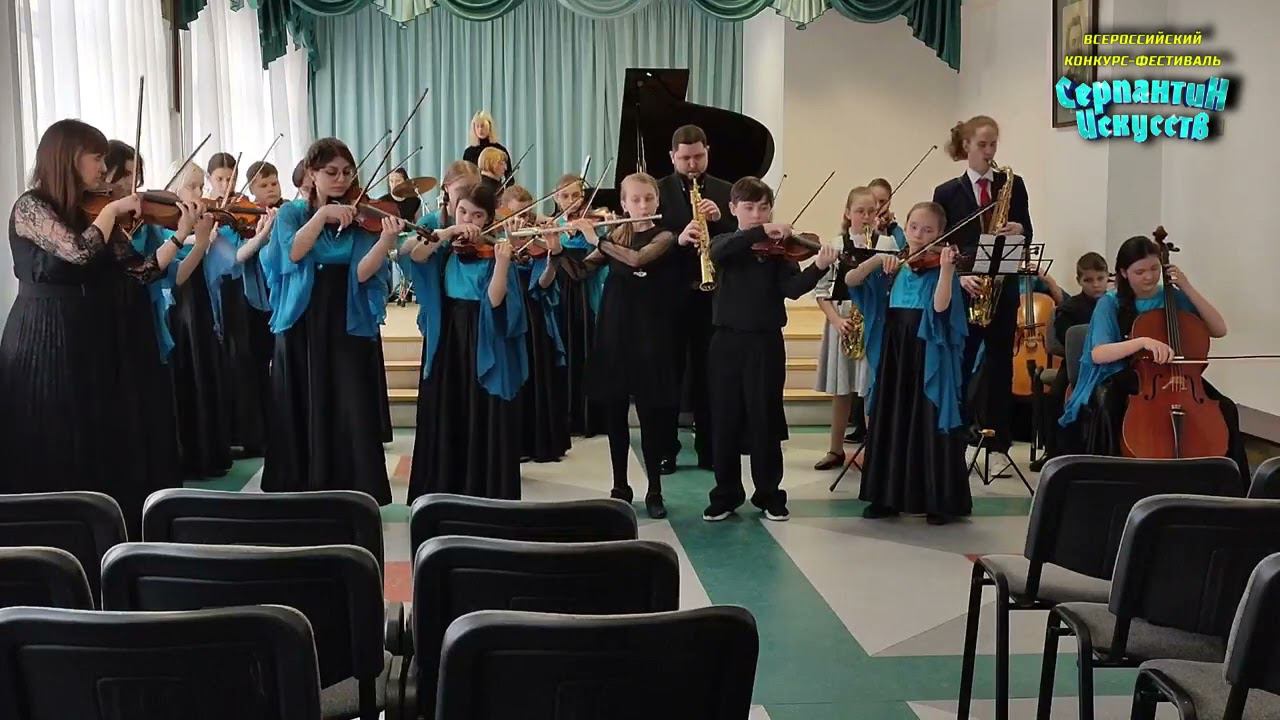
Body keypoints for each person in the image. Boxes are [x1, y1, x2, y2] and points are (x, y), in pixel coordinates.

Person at [0, 120, 181, 535]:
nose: (103, 168)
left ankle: (99, 533)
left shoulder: (93, 208)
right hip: (42, 334)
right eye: (96, 158)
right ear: (68, 158)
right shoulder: (31, 207)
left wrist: (182, 235)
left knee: (93, 433)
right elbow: (78, 252)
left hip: (90, 335)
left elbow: (139, 271)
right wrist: (114, 211)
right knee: (50, 432)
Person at [261, 137, 398, 504]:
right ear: (312, 173)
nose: (341, 179)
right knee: (301, 400)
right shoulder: (292, 214)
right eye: (332, 172)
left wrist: (385, 243)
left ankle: (351, 489)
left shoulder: (360, 216)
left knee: (350, 398)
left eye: (347, 172)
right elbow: (292, 253)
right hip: (302, 318)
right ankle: (301, 487)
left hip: (346, 315)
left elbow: (363, 273)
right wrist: (322, 216)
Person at [693, 177, 837, 522]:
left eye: (764, 208)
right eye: (749, 208)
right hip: (726, 342)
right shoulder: (725, 241)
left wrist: (818, 266)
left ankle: (770, 494)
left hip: (765, 342)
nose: (757, 214)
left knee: (765, 419)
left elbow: (792, 289)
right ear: (733, 209)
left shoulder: (778, 251)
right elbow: (717, 253)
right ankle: (725, 494)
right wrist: (760, 231)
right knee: (724, 420)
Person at [1059, 235, 1248, 485]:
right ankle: (1110, 480)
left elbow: (1219, 329)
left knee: (1226, 407)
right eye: (1140, 272)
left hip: (1180, 377)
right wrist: (1142, 342)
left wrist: (1187, 287)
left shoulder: (1172, 297)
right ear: (1124, 273)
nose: (1149, 277)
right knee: (1109, 402)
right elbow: (1099, 353)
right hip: (1129, 373)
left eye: (1154, 269)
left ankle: (1236, 486)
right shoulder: (1110, 303)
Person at [846, 202, 971, 524]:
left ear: (940, 233)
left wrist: (947, 270)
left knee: (927, 419)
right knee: (893, 417)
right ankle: (886, 497)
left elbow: (941, 307)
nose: (918, 235)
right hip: (896, 352)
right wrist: (876, 259)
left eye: (928, 230)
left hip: (928, 350)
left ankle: (937, 501)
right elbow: (852, 279)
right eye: (914, 227)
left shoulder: (941, 267)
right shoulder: (895, 264)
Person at [406, 184, 526, 501]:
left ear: (488, 219)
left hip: (481, 333)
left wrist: (503, 263)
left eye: (477, 215)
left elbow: (495, 300)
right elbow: (416, 254)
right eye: (463, 212)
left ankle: (481, 490)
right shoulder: (447, 247)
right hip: (450, 336)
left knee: (480, 410)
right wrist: (448, 232)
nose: (468, 220)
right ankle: (447, 488)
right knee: (451, 408)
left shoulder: (493, 250)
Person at [581, 173, 682, 519]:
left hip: (650, 334)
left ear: (657, 201)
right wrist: (555, 248)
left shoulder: (665, 235)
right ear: (623, 203)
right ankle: (620, 486)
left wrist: (597, 239)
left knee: (651, 417)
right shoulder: (616, 236)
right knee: (615, 414)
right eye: (635, 199)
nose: (642, 205)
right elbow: (582, 270)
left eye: (648, 198)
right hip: (615, 331)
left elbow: (637, 259)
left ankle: (654, 490)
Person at [932, 115, 1033, 452]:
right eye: (982, 145)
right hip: (966, 288)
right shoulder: (947, 192)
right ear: (966, 146)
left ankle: (999, 443)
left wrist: (1020, 230)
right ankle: (956, 439)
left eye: (993, 145)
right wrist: (961, 277)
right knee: (961, 363)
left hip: (1002, 288)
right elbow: (941, 244)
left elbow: (1028, 231)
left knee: (1000, 365)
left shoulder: (1012, 184)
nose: (989, 152)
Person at [657, 124, 736, 472]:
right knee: (669, 374)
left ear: (708, 152)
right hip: (671, 296)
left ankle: (710, 449)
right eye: (685, 158)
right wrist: (678, 237)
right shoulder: (657, 190)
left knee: (711, 375)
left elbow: (740, 239)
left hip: (713, 298)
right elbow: (648, 235)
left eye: (698, 157)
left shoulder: (726, 191)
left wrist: (722, 220)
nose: (692, 164)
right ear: (672, 157)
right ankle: (665, 449)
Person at [813, 186, 892, 470]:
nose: (866, 216)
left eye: (871, 211)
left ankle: (874, 452)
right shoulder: (836, 244)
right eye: (860, 211)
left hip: (875, 321)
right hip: (843, 320)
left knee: (871, 388)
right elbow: (822, 291)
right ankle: (835, 450)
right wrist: (836, 320)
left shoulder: (887, 244)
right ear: (848, 213)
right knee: (842, 390)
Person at [167, 162, 231, 477]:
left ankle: (210, 451)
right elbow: (170, 252)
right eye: (192, 186)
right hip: (181, 303)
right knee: (187, 368)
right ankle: (190, 455)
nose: (199, 192)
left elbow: (226, 260)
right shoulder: (166, 220)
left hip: (200, 298)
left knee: (204, 366)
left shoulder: (198, 217)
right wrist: (198, 237)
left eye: (200, 187)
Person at [501, 185, 570, 464]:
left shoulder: (538, 242)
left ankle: (538, 442)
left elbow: (542, 283)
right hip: (506, 315)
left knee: (537, 376)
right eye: (515, 215)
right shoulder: (497, 239)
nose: (522, 221)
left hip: (533, 315)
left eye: (526, 214)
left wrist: (552, 255)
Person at [218, 160, 279, 456]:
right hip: (243, 297)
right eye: (263, 185)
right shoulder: (232, 216)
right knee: (250, 363)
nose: (271, 189)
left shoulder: (281, 212)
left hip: (272, 294)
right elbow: (236, 257)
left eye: (273, 183)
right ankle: (256, 433)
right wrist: (261, 233)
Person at [551, 174, 608, 437]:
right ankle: (565, 419)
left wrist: (592, 233)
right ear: (556, 198)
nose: (571, 201)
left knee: (588, 353)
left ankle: (590, 419)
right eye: (565, 196)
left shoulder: (596, 226)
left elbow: (600, 259)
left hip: (587, 296)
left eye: (576, 195)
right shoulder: (554, 226)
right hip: (560, 298)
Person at [1039, 251, 1108, 460]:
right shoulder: (1070, 308)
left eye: (1100, 278)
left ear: (1108, 277)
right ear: (1079, 281)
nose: (1096, 285)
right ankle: (1054, 451)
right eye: (1089, 280)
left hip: (1109, 364)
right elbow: (1065, 340)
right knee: (1056, 395)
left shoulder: (1116, 303)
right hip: (1075, 364)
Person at [461, 110, 512, 181]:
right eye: (477, 126)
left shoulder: (500, 149)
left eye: (483, 126)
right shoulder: (469, 152)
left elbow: (509, 177)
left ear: (490, 126)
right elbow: (466, 176)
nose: (480, 130)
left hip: (496, 186)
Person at [867, 178, 907, 250]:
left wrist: (883, 235)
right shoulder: (857, 226)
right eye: (873, 200)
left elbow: (900, 253)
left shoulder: (897, 232)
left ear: (889, 201)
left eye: (882, 201)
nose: (878, 206)